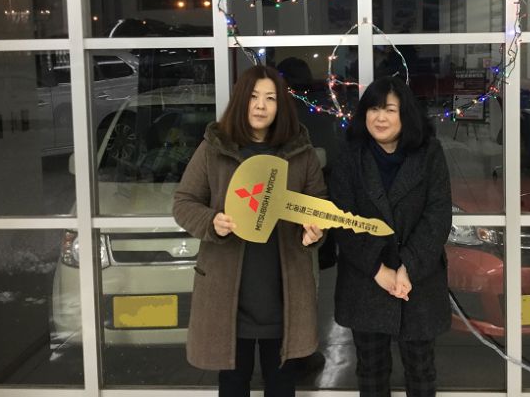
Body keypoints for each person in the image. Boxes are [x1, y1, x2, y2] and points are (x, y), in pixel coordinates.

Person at [173, 65, 326, 397]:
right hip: (228, 295)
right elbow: (184, 202)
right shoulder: (215, 148)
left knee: (282, 385)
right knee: (232, 384)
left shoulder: (300, 152)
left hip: (283, 294)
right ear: (241, 101)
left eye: (270, 98)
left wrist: (314, 232)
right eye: (253, 97)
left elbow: (317, 205)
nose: (260, 105)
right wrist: (212, 221)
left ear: (280, 106)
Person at [328, 76, 452, 397]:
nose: (380, 117)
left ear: (404, 115)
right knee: (371, 370)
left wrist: (408, 267)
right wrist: (377, 269)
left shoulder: (429, 153)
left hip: (418, 280)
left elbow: (438, 215)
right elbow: (341, 218)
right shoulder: (349, 155)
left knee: (421, 369)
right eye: (373, 109)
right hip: (366, 278)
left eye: (389, 110)